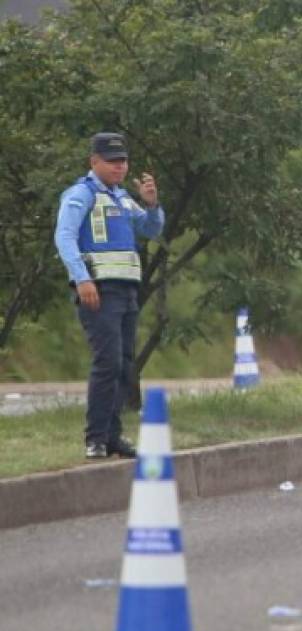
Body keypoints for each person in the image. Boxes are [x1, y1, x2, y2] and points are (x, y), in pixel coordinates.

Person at [54, 132, 164, 460]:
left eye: (123, 161)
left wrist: (152, 204)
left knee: (125, 366)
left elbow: (151, 230)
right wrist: (81, 278)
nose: (120, 167)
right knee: (108, 363)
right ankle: (96, 438)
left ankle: (113, 436)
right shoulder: (81, 194)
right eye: (112, 161)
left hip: (127, 290)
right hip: (99, 291)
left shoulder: (122, 198)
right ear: (94, 161)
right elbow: (64, 236)